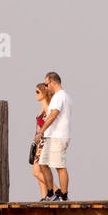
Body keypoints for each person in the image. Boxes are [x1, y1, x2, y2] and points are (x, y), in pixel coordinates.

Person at [37, 71, 70, 201]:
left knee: (59, 166)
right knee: (42, 164)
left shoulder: (60, 96)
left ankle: (64, 196)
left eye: (46, 84)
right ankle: (51, 193)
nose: (46, 87)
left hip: (59, 136)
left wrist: (41, 131)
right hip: (51, 136)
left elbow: (53, 115)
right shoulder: (58, 96)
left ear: (53, 82)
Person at [31, 82, 53, 199]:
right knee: (39, 171)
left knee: (36, 171)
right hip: (39, 142)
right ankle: (45, 196)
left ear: (44, 93)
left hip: (44, 142)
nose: (35, 94)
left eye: (37, 92)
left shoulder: (48, 108)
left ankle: (55, 190)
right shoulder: (42, 108)